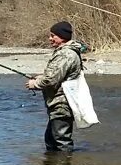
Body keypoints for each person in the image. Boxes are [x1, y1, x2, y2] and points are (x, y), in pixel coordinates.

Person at [25, 20, 84, 152]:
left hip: (62, 104)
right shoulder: (65, 52)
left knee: (61, 142)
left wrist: (35, 83)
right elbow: (57, 76)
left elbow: (51, 80)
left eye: (53, 35)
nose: (50, 38)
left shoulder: (66, 54)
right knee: (51, 140)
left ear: (62, 37)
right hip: (58, 104)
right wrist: (40, 77)